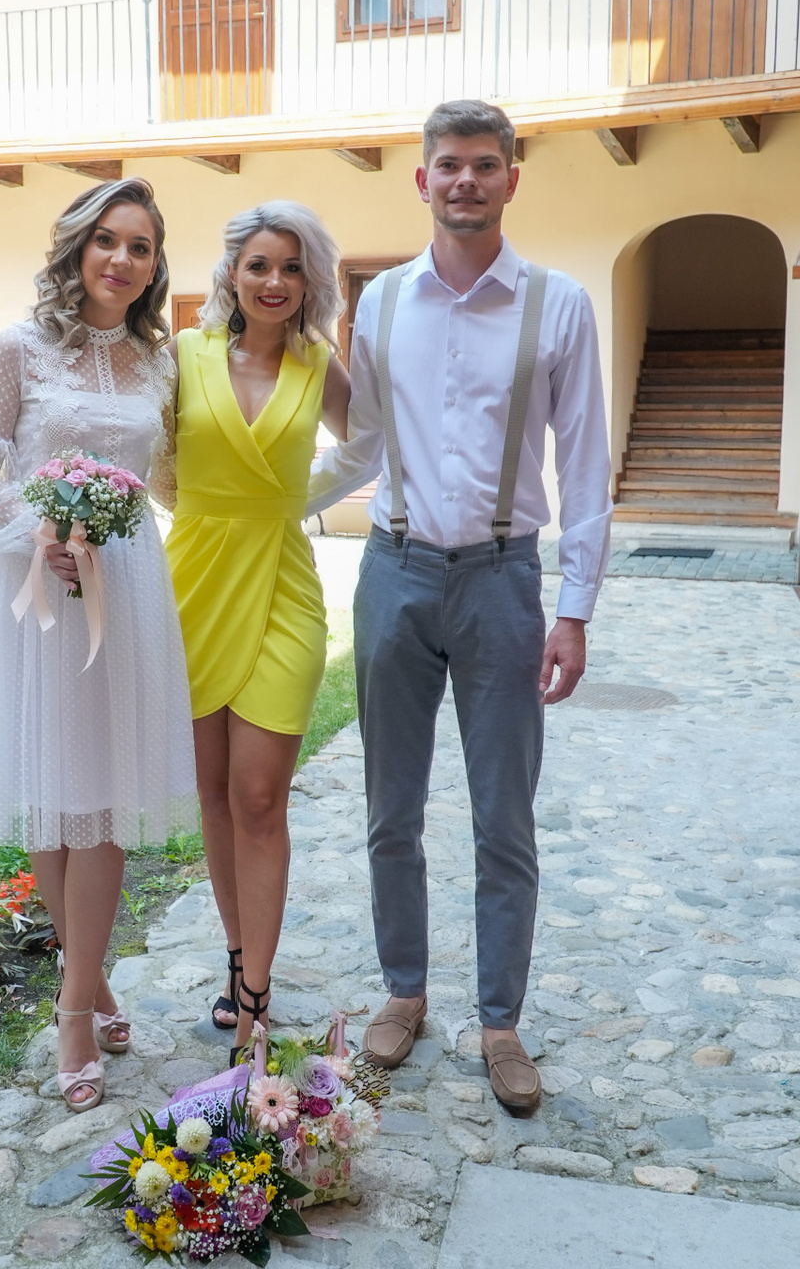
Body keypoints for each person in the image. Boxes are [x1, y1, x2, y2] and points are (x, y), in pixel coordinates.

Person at [305, 100, 611, 1111]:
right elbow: (361, 443)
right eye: (448, 165)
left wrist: (574, 609)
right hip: (393, 572)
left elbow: (586, 464)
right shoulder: (383, 302)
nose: (465, 181)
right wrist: (264, 504)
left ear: (512, 178)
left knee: (503, 815)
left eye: (484, 164)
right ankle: (404, 989)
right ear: (423, 180)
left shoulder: (559, 304)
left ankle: (500, 1020)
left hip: (502, 579)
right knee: (390, 806)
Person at [0, 178, 197, 1113]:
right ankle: (89, 982)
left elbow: (169, 475)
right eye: (106, 240)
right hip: (35, 587)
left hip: (124, 587)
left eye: (140, 247)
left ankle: (72, 1008)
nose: (121, 260)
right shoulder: (15, 349)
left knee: (101, 799)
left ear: (154, 265)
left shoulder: (159, 363)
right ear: (75, 249)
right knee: (52, 800)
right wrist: (42, 534)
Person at [155, 202, 352, 1064]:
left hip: (282, 587)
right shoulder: (182, 356)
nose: (275, 281)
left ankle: (257, 1000)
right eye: (260, 264)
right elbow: (148, 453)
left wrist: (289, 502)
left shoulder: (320, 364)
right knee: (214, 794)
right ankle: (237, 959)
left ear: (312, 282)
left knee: (261, 798)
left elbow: (371, 446)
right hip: (192, 583)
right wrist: (192, 508)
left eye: (293, 267)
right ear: (232, 272)